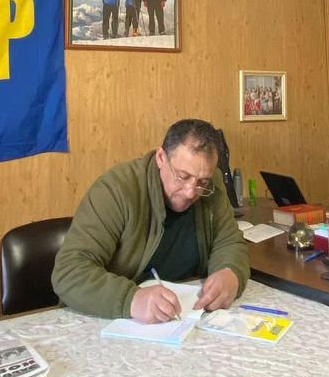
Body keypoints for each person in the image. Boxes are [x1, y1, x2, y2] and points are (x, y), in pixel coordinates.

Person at [52, 118, 248, 322]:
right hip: (111, 319)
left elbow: (230, 242)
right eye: (182, 176)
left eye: (202, 182)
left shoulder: (212, 184)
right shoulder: (116, 190)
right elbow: (69, 272)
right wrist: (131, 299)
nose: (191, 191)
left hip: (185, 318)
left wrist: (230, 272)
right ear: (161, 157)